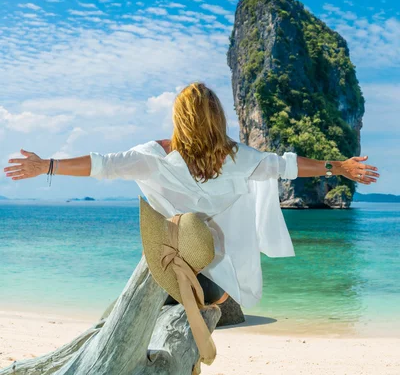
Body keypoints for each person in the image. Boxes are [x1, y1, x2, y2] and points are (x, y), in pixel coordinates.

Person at [3, 82, 380, 309]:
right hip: (222, 283)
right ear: (217, 117)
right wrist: (338, 167)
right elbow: (287, 165)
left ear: (178, 118)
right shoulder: (238, 159)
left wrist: (48, 165)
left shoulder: (154, 157)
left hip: (174, 269)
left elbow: (102, 164)